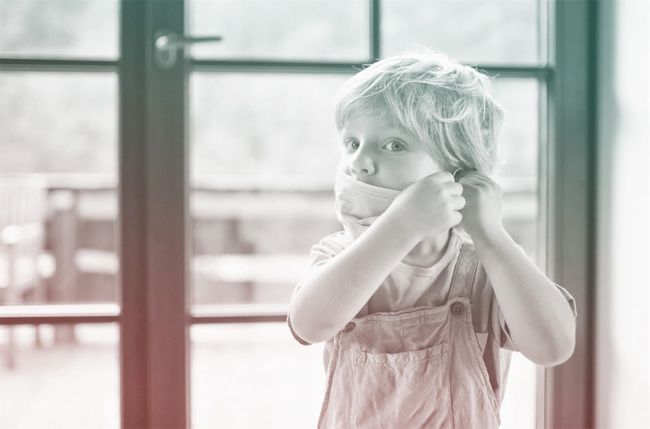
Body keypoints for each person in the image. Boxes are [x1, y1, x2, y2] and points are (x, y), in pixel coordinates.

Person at [286, 47, 578, 429]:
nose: (358, 161)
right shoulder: (341, 254)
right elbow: (308, 325)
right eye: (352, 143)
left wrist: (491, 235)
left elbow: (553, 347)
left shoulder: (486, 268)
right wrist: (400, 226)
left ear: (457, 170)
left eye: (394, 145)